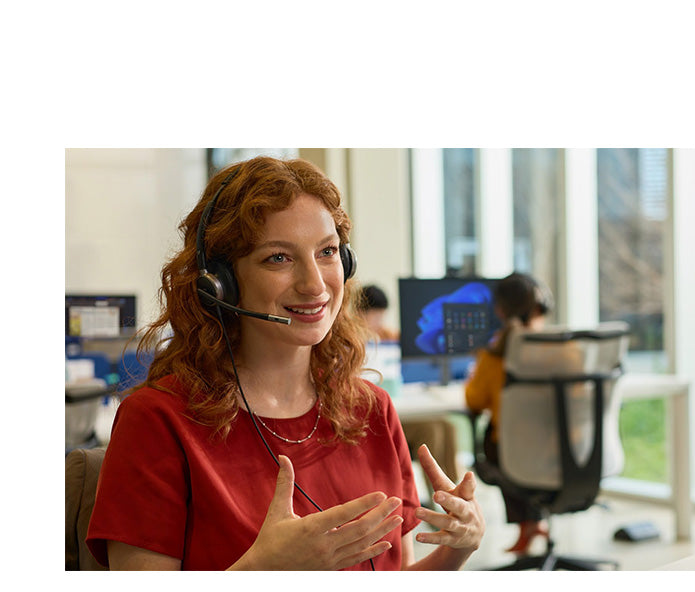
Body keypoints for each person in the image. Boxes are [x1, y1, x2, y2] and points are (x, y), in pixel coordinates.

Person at [85, 156, 485, 570]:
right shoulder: (158, 422)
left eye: (327, 252)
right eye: (279, 258)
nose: (315, 284)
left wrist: (457, 549)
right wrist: (263, 570)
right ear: (220, 282)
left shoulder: (372, 410)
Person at [464, 272, 552, 555]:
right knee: (524, 450)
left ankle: (527, 526)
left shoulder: (495, 357)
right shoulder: (560, 349)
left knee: (497, 444)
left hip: (510, 450)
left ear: (499, 310)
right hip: (555, 446)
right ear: (539, 307)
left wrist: (474, 375)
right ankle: (533, 524)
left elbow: (475, 400)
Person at [357, 284, 461, 488]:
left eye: (382, 316)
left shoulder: (388, 336)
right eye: (374, 316)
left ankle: (453, 491)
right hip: (375, 422)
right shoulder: (352, 344)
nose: (379, 322)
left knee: (448, 426)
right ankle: (438, 497)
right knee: (431, 430)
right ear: (360, 313)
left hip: (398, 407)